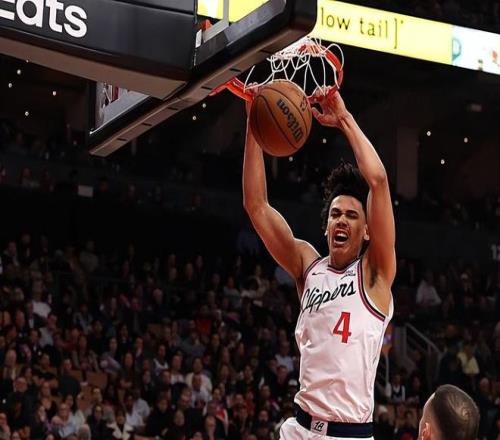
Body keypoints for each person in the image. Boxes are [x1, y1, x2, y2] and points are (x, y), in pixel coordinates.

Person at [243, 89, 395, 439]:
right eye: (335, 214)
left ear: (367, 231)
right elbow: (257, 206)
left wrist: (344, 119)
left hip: (349, 434)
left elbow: (378, 182)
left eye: (352, 216)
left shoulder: (374, 273)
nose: (341, 220)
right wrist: (254, 121)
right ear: (326, 227)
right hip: (299, 428)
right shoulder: (308, 267)